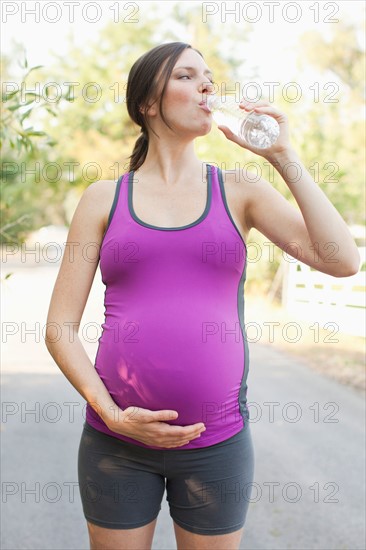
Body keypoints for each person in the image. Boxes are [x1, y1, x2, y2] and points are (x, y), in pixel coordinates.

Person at [45, 42, 360, 550]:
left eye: (210, 76)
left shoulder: (240, 190)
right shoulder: (103, 199)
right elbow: (59, 329)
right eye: (188, 76)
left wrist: (284, 157)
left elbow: (342, 259)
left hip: (216, 444)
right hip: (116, 443)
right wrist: (111, 414)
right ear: (149, 101)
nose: (208, 85)